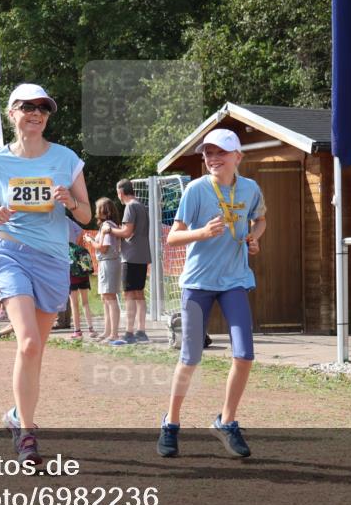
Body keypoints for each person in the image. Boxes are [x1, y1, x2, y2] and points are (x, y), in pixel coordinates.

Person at [0, 82, 91, 463]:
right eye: (27, 107)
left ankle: (17, 415)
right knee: (29, 343)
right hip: (10, 254)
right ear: (11, 113)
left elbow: (85, 214)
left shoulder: (67, 159)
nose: (36, 113)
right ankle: (27, 435)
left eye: (43, 108)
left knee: (37, 351)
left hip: (52, 259)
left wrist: (70, 201)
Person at [157, 129, 266, 459]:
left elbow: (260, 219)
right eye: (208, 153)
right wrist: (202, 233)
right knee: (190, 357)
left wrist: (254, 237)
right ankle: (171, 423)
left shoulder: (250, 189)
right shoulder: (196, 189)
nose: (213, 158)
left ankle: (226, 420)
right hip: (197, 284)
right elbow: (173, 238)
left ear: (238, 157)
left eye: (221, 152)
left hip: (234, 280)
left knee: (245, 355)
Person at [107, 179, 151, 344]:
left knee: (129, 294)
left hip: (131, 255)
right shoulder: (141, 205)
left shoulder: (130, 206)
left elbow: (126, 232)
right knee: (139, 293)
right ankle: (141, 331)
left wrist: (109, 229)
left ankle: (129, 332)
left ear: (121, 192)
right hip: (142, 254)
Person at [84, 197, 124, 344]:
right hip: (106, 263)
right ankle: (108, 331)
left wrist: (90, 241)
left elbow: (103, 247)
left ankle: (114, 333)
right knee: (105, 298)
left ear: (104, 211)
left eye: (97, 209)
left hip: (109, 262)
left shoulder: (107, 225)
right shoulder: (108, 225)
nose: (95, 212)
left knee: (110, 298)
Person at [67, 221, 96, 340]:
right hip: (81, 267)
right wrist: (77, 244)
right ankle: (91, 328)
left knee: (74, 303)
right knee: (85, 302)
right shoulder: (68, 220)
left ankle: (77, 330)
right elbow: (81, 231)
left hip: (70, 269)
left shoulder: (55, 221)